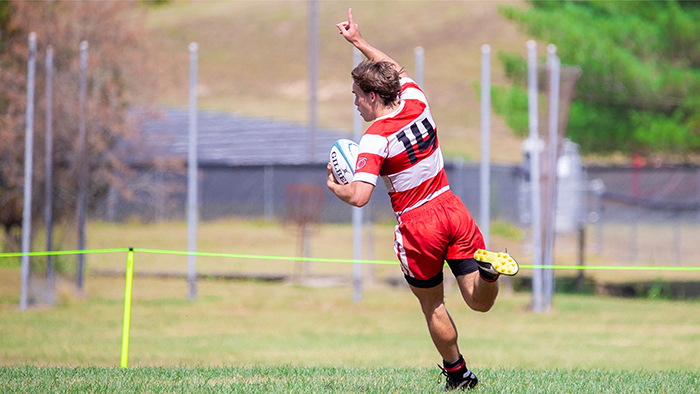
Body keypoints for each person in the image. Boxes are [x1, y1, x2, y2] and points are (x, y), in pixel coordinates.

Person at [327, 9, 519, 391]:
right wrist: (359, 42)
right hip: (451, 206)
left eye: (356, 97)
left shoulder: (375, 138)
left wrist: (335, 185)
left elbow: (361, 196)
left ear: (371, 95)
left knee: (433, 304)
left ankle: (459, 374)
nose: (355, 104)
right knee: (479, 301)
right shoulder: (417, 99)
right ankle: (489, 272)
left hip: (419, 224)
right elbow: (393, 68)